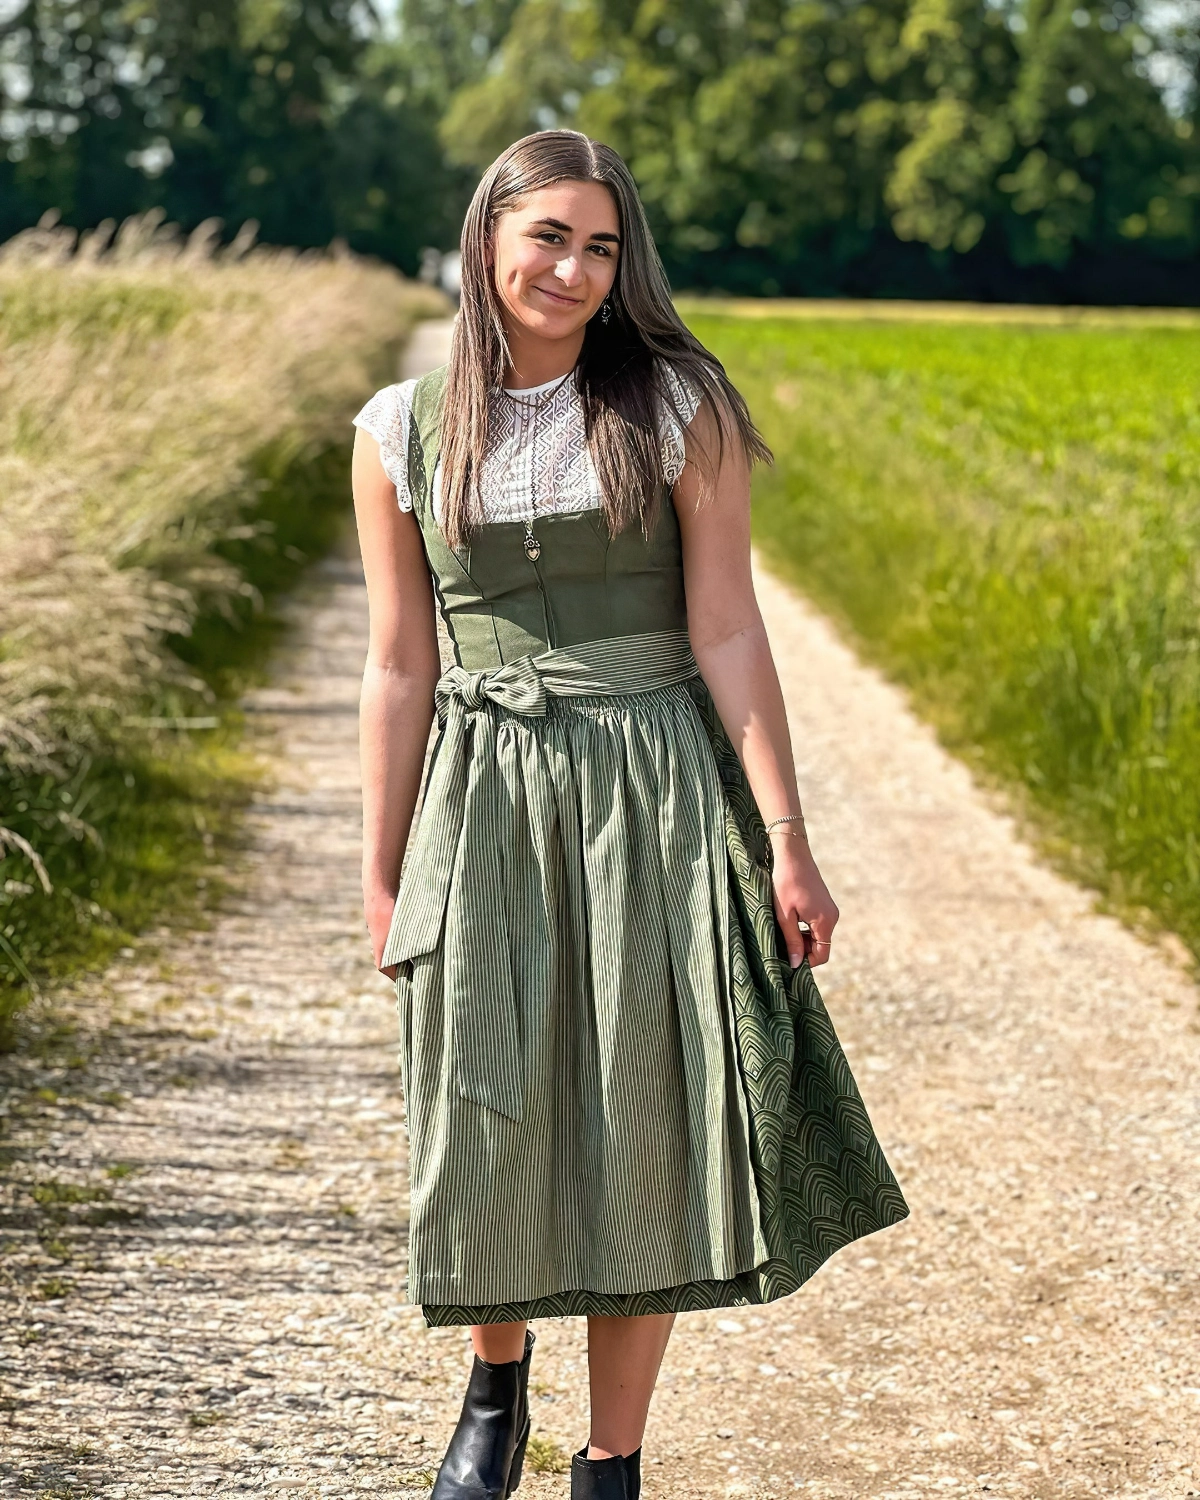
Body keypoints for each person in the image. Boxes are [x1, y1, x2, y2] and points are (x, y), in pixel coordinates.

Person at [350, 129, 908, 1500]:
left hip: (656, 786)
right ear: (489, 238)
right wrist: (380, 876)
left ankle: (614, 1461)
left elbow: (724, 626)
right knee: (480, 1104)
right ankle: (494, 1382)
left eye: (602, 245)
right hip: (480, 794)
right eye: (549, 235)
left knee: (643, 1114)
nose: (575, 268)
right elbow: (400, 664)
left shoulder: (675, 405)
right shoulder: (399, 429)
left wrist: (787, 839)